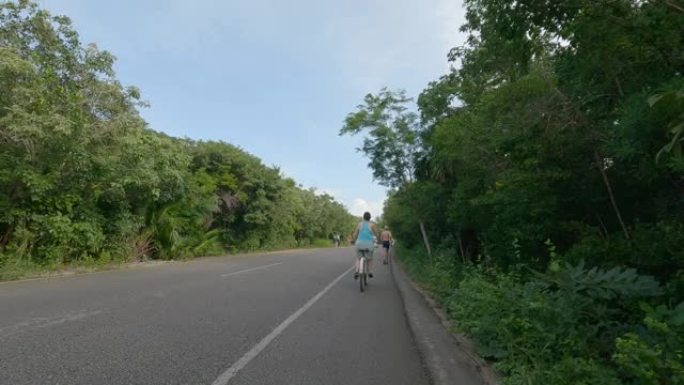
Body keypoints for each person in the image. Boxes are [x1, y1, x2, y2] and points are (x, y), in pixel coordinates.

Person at [351, 211, 379, 279]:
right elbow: (377, 234)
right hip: (369, 244)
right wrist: (376, 237)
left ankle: (357, 271)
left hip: (359, 243)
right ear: (370, 218)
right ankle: (369, 272)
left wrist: (354, 240)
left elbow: (355, 234)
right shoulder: (372, 225)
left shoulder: (359, 224)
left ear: (363, 217)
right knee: (369, 258)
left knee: (358, 258)